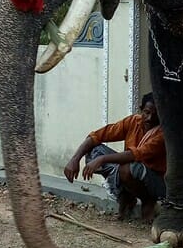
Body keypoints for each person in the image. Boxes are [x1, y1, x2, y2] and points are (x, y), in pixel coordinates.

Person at [64, 93, 167, 223]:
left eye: (155, 115)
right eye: (146, 112)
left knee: (126, 168)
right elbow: (97, 136)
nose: (149, 118)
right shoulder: (133, 122)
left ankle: (148, 201)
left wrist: (102, 160)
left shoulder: (162, 133)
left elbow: (135, 154)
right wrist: (75, 159)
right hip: (130, 169)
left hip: (156, 181)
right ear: (141, 110)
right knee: (93, 151)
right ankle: (125, 195)